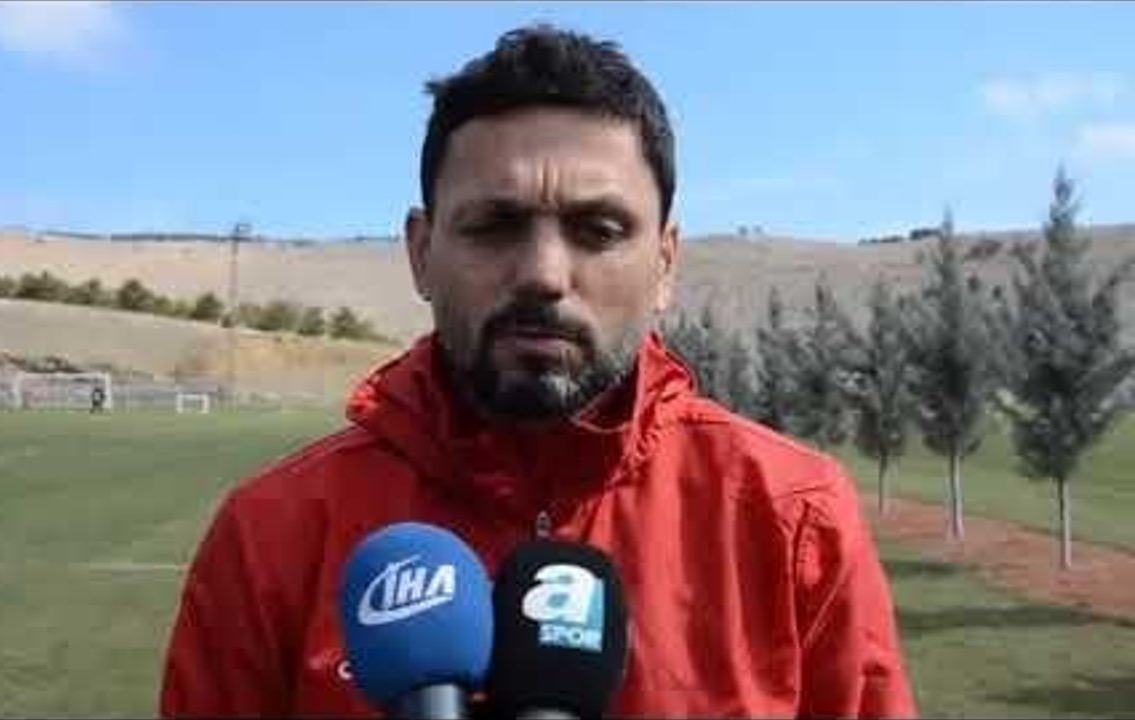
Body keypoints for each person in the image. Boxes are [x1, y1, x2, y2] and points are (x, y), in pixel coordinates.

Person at [160, 24, 917, 718]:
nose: (543, 274)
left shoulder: (793, 518)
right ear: (421, 253)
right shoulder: (272, 533)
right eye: (495, 225)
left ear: (665, 263)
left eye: (599, 230)